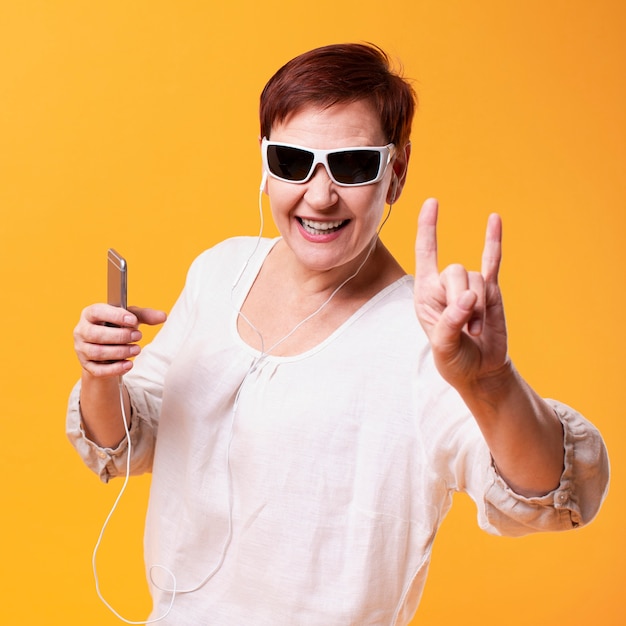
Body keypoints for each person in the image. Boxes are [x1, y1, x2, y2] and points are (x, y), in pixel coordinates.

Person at [67, 43, 609, 625]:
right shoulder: (218, 272)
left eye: (351, 165)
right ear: (265, 161)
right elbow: (123, 444)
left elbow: (550, 497)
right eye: (293, 162)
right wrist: (102, 374)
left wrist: (493, 383)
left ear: (395, 171)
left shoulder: (428, 338)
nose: (319, 195)